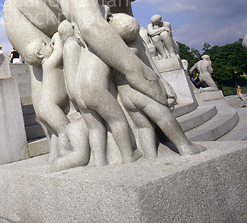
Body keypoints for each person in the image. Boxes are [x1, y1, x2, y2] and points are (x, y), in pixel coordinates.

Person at [3, 0, 168, 105]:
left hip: (60, 23)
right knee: (52, 79)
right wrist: (141, 76)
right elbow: (91, 26)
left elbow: (134, 37)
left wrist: (158, 78)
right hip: (21, 13)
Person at [108, 12, 205, 158]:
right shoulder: (135, 46)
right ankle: (185, 145)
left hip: (125, 94)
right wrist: (160, 86)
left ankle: (151, 157)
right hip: (141, 91)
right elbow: (148, 68)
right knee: (163, 116)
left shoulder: (110, 48)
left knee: (144, 126)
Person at [57, 19, 138, 166]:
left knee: (95, 127)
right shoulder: (102, 46)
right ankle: (128, 155)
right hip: (94, 90)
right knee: (117, 120)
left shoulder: (83, 48)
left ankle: (100, 161)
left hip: (80, 92)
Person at [23, 33, 71, 164]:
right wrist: (56, 36)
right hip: (50, 106)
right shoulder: (50, 64)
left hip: (43, 107)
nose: (49, 44)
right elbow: (60, 50)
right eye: (45, 45)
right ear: (39, 54)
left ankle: (53, 157)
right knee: (64, 130)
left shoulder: (45, 66)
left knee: (55, 132)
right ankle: (66, 154)